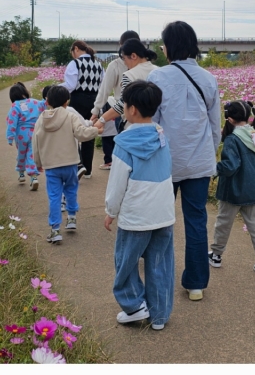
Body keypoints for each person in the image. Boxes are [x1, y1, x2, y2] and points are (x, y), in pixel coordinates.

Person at [146, 21, 221, 301]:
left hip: (166, 161)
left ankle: (159, 277)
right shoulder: (208, 78)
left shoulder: (158, 78)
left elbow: (151, 124)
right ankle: (196, 283)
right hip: (199, 162)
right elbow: (215, 126)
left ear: (169, 47)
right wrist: (208, 156)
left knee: (161, 220)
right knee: (196, 221)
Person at [98, 80, 174, 331]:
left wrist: (111, 211)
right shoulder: (161, 136)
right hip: (163, 212)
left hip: (137, 215)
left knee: (126, 260)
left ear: (130, 110)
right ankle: (159, 314)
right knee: (160, 263)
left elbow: (117, 184)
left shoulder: (124, 143)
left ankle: (133, 305)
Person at [208, 101, 255, 275]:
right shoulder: (253, 134)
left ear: (229, 119)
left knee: (224, 222)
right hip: (253, 189)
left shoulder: (232, 139)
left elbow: (230, 166)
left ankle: (216, 255)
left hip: (233, 190)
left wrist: (215, 169)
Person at [32, 86, 100, 244]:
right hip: (70, 163)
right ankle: (71, 218)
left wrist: (38, 162)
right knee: (71, 190)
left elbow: (35, 142)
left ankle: (55, 230)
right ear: (67, 101)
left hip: (51, 166)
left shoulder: (41, 119)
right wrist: (96, 130)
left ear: (47, 101)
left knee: (54, 196)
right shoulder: (70, 116)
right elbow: (82, 134)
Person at [91, 29, 141, 170]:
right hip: (145, 115)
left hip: (123, 114)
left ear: (121, 45)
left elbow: (104, 90)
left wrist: (96, 112)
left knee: (126, 149)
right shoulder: (147, 64)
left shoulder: (116, 65)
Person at [62, 40, 104, 179]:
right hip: (94, 101)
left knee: (72, 133)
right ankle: (88, 170)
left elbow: (71, 85)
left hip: (78, 100)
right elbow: (103, 84)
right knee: (89, 134)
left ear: (76, 49)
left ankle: (79, 165)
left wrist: (56, 87)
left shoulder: (75, 63)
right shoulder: (98, 64)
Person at [99, 39, 159, 134]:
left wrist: (101, 120)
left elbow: (123, 104)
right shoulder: (158, 71)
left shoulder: (129, 75)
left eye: (124, 58)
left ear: (134, 56)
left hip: (133, 129)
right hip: (156, 127)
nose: (124, 63)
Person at [5, 82, 44, 190]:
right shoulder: (35, 102)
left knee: (21, 154)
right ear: (24, 92)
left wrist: (10, 136)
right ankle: (34, 176)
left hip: (21, 135)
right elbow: (45, 104)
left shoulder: (15, 106)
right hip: (34, 133)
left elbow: (11, 122)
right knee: (31, 155)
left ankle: (21, 174)